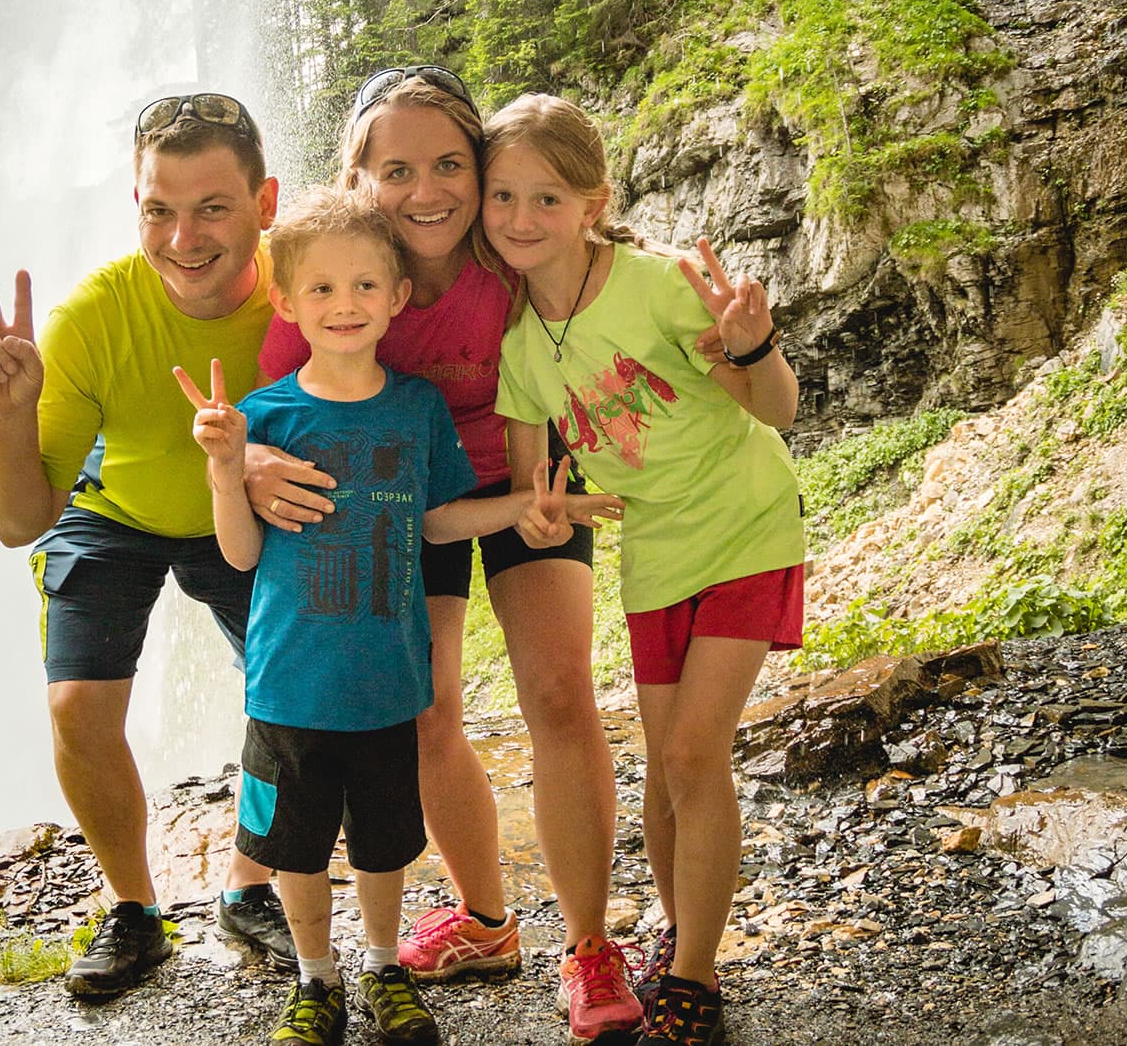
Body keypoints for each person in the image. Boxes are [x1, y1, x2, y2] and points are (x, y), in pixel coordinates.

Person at [249, 67, 642, 1042]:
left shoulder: (506, 255)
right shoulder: (333, 273)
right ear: (358, 175)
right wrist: (253, 463)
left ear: (478, 167)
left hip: (523, 476)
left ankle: (589, 947)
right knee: (426, 713)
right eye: (396, 168)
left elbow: (602, 285)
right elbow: (266, 404)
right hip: (396, 494)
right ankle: (488, 921)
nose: (425, 190)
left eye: (447, 164)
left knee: (556, 690)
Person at [184, 187, 598, 1046]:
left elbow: (438, 518)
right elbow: (239, 555)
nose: (346, 306)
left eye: (365, 287)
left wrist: (523, 507)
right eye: (324, 291)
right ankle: (315, 979)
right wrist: (228, 470)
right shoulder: (263, 417)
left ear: (397, 297)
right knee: (294, 848)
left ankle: (380, 967)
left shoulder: (416, 406)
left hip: (388, 679)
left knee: (381, 844)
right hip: (289, 685)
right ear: (288, 303)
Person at [480, 94, 807, 1046]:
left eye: (547, 198)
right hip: (655, 550)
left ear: (595, 204)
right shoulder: (518, 348)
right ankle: (676, 939)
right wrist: (542, 514)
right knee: (666, 771)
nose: (519, 219)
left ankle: (695, 982)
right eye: (503, 196)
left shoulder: (661, 284)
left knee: (696, 752)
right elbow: (530, 482)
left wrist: (755, 342)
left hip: (745, 521)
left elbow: (775, 407)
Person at [0, 92, 298, 998]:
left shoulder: (306, 294)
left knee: (294, 688)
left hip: (244, 500)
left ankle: (251, 887)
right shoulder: (93, 317)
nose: (182, 238)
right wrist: (8, 418)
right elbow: (17, 520)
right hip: (112, 507)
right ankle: (134, 910)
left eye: (212, 208)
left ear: (265, 205)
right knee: (78, 707)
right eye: (159, 209)